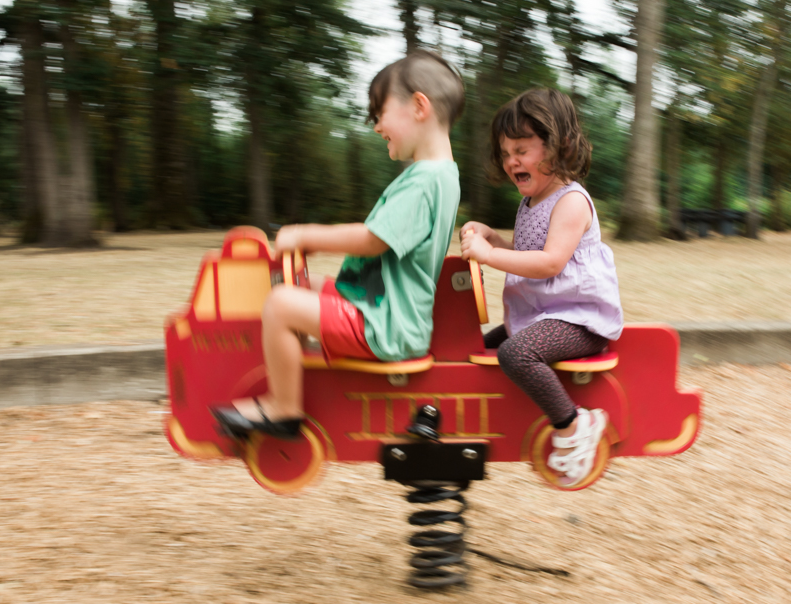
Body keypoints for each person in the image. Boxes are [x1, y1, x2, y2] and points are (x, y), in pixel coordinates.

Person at [211, 50, 465, 440]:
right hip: (385, 309)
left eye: (380, 113)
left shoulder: (424, 180)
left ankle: (283, 407)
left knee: (280, 305)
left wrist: (306, 234)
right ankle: (299, 374)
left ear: (418, 106)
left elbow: (372, 240)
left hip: (386, 325)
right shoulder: (441, 175)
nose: (376, 126)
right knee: (299, 289)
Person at [460, 88, 623, 487]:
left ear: (560, 146)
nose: (512, 160)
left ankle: (573, 426)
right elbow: (529, 250)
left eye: (521, 149)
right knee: (480, 347)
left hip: (578, 318)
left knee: (516, 353)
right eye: (506, 153)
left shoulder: (571, 202)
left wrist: (485, 255)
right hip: (543, 314)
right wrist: (495, 240)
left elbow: (550, 262)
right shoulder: (532, 201)